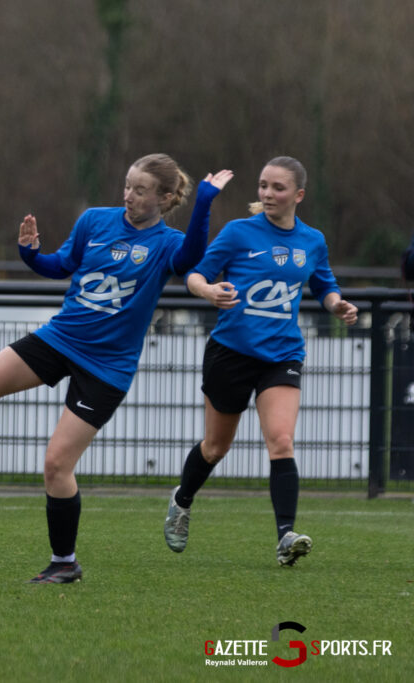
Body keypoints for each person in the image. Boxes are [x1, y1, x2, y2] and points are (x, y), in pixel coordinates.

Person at [0, 154, 234, 584]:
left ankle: (64, 562)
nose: (128, 195)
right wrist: (30, 253)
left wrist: (204, 202)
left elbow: (190, 260)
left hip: (106, 368)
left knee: (56, 464)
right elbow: (59, 266)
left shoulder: (166, 244)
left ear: (164, 198)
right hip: (58, 339)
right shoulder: (95, 221)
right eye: (126, 185)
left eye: (140, 190)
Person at [162, 156, 358, 567]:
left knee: (281, 441)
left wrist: (337, 304)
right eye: (263, 185)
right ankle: (182, 501)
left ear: (298, 195)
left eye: (278, 188)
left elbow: (324, 283)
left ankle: (286, 536)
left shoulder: (313, 240)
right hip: (230, 353)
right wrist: (209, 292)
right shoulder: (238, 233)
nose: (268, 194)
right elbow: (195, 273)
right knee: (216, 447)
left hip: (282, 354)